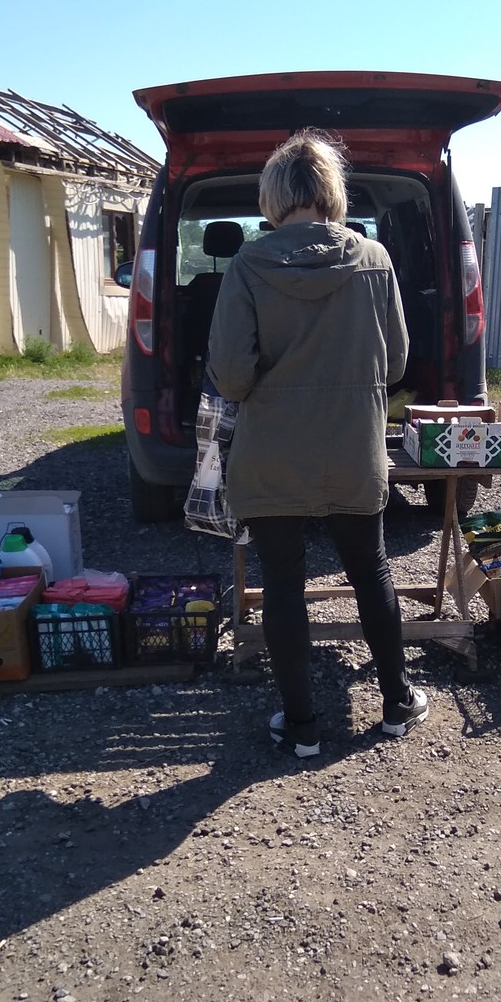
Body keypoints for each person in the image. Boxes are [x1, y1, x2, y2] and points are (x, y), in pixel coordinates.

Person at [206, 129, 426, 758]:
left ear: (273, 195)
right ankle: (396, 703)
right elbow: (397, 363)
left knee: (283, 581)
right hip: (353, 446)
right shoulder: (375, 259)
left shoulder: (248, 265)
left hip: (272, 451)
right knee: (370, 569)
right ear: (333, 191)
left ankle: (301, 727)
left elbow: (231, 376)